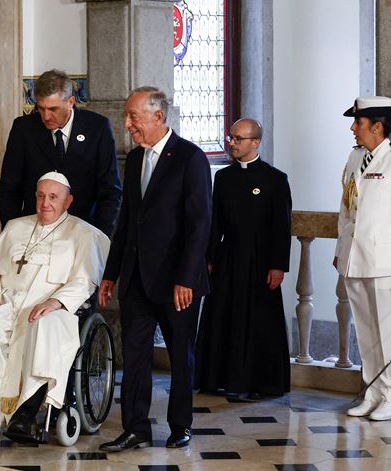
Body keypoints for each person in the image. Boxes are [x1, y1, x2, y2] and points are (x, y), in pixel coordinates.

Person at [0, 172, 110, 443]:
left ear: (68, 201)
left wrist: (55, 301)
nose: (45, 203)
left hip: (54, 309)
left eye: (53, 197)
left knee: (43, 324)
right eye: (40, 196)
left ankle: (26, 414)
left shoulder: (84, 233)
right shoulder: (15, 227)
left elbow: (85, 279)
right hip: (8, 305)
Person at [98, 87, 211, 452]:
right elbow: (126, 223)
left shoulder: (190, 158)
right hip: (136, 279)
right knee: (134, 357)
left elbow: (199, 224)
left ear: (158, 117)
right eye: (127, 117)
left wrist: (186, 278)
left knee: (181, 355)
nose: (126, 123)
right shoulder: (133, 161)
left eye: (133, 116)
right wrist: (111, 274)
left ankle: (181, 425)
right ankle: (136, 428)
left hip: (176, 282)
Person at [334, 96, 391, 421]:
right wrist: (339, 251)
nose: (353, 128)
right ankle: (372, 391)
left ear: (377, 126)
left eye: (358, 123)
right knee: (366, 331)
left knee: (388, 332)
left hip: (385, 262)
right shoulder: (355, 157)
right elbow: (346, 210)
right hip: (354, 259)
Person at [194, 118, 292, 400]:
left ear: (255, 142)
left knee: (258, 321)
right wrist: (209, 257)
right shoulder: (223, 178)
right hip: (228, 258)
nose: (232, 144)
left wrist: (278, 265)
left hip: (261, 262)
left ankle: (260, 383)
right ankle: (217, 378)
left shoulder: (276, 179)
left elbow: (281, 227)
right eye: (231, 138)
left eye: (238, 139)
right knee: (223, 316)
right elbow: (216, 223)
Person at [0, 69, 122, 237]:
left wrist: (101, 236)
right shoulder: (24, 129)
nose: (46, 116)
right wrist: (12, 232)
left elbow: (110, 190)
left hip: (83, 232)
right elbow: (9, 188)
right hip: (33, 233)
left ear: (70, 102)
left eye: (53, 109)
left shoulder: (97, 128)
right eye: (41, 108)